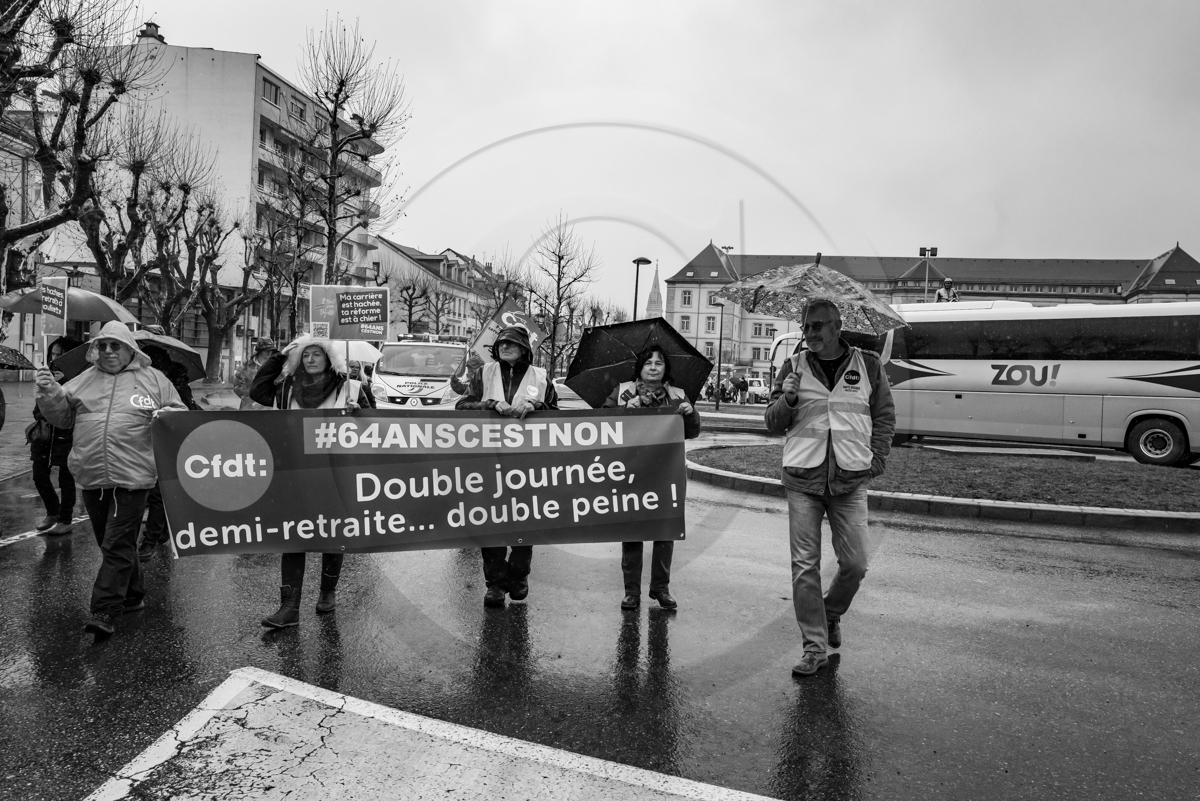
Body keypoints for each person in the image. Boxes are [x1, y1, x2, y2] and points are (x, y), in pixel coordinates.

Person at [764, 299, 895, 677]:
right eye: (806, 326)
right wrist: (787, 397)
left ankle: (831, 611)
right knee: (804, 566)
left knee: (855, 564)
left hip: (851, 478)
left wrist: (878, 458)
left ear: (838, 326)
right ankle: (813, 648)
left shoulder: (868, 364)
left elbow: (884, 415)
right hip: (803, 478)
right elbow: (771, 422)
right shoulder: (793, 365)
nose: (810, 333)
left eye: (818, 325)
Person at [35, 322, 187, 635]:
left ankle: (104, 610)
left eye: (114, 346)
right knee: (111, 542)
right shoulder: (84, 380)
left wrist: (170, 416)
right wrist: (50, 393)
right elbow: (61, 417)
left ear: (129, 348)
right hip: (92, 476)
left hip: (134, 477)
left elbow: (179, 415)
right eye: (102, 346)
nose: (108, 351)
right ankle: (132, 595)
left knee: (117, 542)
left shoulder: (155, 380)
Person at [250, 335, 371, 628]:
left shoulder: (350, 387)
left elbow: (373, 428)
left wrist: (359, 413)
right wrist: (280, 357)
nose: (311, 360)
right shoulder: (287, 388)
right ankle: (289, 607)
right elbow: (257, 391)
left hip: (336, 472)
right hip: (295, 472)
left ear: (328, 358)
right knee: (294, 536)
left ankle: (327, 592)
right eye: (306, 355)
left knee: (333, 533)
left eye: (317, 354)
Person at [455, 326, 558, 607]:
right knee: (491, 520)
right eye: (501, 343)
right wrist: (489, 405)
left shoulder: (541, 377)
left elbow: (557, 416)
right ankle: (495, 584)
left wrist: (538, 407)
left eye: (511, 342)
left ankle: (519, 575)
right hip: (488, 460)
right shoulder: (483, 373)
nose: (504, 346)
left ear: (525, 348)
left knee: (526, 517)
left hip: (527, 462)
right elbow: (462, 406)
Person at [602, 345, 701, 610]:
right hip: (632, 471)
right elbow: (602, 425)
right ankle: (631, 591)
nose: (654, 367)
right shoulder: (623, 392)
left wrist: (692, 414)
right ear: (640, 368)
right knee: (633, 530)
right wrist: (625, 410)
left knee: (664, 530)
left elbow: (692, 432)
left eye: (659, 363)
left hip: (667, 471)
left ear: (666, 369)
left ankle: (660, 588)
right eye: (648, 363)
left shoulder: (679, 396)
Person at [137, 346, 202, 562]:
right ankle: (160, 530)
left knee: (158, 494)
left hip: (167, 444)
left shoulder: (177, 384)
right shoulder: (134, 381)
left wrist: (167, 414)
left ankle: (150, 539)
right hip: (139, 445)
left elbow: (185, 414)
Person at [28, 336, 82, 535]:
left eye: (60, 354)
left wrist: (62, 387)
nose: (55, 357)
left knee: (66, 479)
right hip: (44, 436)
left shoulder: (79, 378)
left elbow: (75, 408)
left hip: (66, 436)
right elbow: (37, 410)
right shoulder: (46, 376)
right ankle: (52, 510)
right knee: (39, 475)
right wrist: (47, 391)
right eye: (53, 353)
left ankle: (65, 519)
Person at [234, 338, 278, 410]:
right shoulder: (247, 365)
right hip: (249, 408)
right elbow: (237, 385)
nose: (269, 352)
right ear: (260, 350)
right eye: (266, 350)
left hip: (269, 408)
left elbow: (280, 386)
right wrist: (250, 399)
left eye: (271, 350)